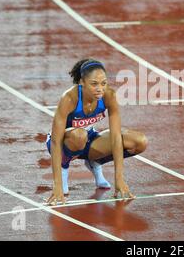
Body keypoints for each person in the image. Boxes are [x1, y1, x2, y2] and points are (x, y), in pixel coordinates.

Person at [45, 59, 148, 205]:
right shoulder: (69, 98)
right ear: (82, 82)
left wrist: (119, 179)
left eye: (103, 83)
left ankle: (95, 161)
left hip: (88, 139)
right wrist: (57, 184)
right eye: (94, 84)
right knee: (79, 135)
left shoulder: (109, 96)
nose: (100, 88)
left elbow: (116, 137)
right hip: (64, 143)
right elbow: (55, 141)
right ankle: (64, 166)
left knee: (139, 141)